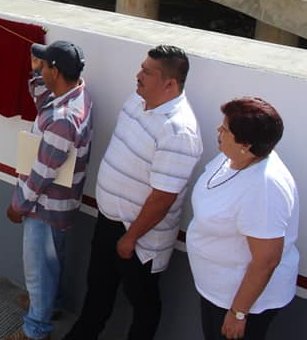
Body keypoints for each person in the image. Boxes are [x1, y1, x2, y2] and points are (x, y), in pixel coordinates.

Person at [62, 45, 202, 340]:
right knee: (98, 288)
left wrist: (130, 238)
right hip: (108, 221)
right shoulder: (137, 100)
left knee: (143, 303)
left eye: (147, 72)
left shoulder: (178, 131)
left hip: (139, 237)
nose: (137, 75)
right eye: (141, 67)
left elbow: (163, 198)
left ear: (170, 84)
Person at [4, 41, 95, 340]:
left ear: (55, 71)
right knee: (50, 263)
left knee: (39, 272)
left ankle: (35, 330)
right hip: (60, 205)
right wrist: (36, 73)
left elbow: (43, 171)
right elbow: (44, 99)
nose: (40, 69)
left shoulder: (62, 119)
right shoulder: (76, 94)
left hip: (44, 207)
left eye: (44, 66)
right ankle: (49, 306)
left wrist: (18, 205)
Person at [187, 97, 299, 340]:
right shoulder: (232, 157)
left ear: (246, 144)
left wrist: (238, 313)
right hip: (216, 291)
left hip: (242, 304)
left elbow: (266, 260)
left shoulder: (265, 187)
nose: (218, 130)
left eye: (225, 129)